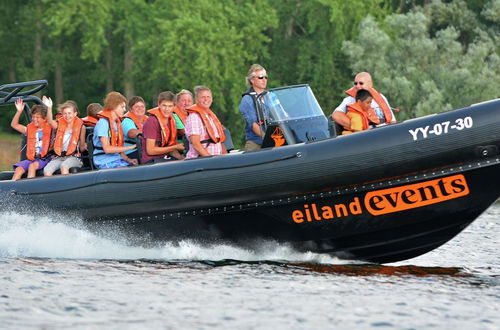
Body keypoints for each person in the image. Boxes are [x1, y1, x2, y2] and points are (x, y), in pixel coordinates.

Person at [92, 91, 138, 169]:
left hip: (116, 158)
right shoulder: (103, 123)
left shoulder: (116, 123)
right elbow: (107, 149)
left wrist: (128, 160)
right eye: (122, 107)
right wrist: (131, 147)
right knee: (129, 173)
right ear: (113, 107)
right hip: (103, 160)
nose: (124, 109)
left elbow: (118, 148)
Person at [10, 98, 52, 181]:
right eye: (33, 117)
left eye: (37, 117)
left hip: (44, 158)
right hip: (31, 159)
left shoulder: (50, 127)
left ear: (44, 118)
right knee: (19, 169)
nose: (34, 119)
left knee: (32, 167)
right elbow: (14, 124)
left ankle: (30, 190)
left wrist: (49, 108)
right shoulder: (29, 129)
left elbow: (51, 121)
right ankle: (10, 192)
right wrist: (19, 111)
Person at [44, 99, 87, 176]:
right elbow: (50, 121)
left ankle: (67, 186)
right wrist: (49, 107)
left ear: (75, 114)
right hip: (60, 157)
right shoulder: (59, 125)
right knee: (47, 170)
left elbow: (82, 147)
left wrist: (86, 146)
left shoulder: (81, 127)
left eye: (69, 113)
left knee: (64, 166)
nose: (67, 116)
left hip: (74, 157)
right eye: (65, 114)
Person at [141, 91, 185, 164]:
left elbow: (171, 148)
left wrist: (182, 159)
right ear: (159, 105)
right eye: (164, 105)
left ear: (174, 107)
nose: (167, 109)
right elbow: (150, 150)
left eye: (170, 106)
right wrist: (175, 147)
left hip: (165, 158)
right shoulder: (152, 121)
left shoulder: (172, 120)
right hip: (151, 161)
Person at [185, 86, 227, 159]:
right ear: (197, 99)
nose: (206, 99)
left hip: (214, 159)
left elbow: (218, 140)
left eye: (208, 96)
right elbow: (196, 144)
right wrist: (210, 160)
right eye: (203, 97)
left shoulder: (210, 116)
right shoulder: (194, 117)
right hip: (201, 161)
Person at [239, 64, 269, 151]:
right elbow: (253, 125)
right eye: (260, 77)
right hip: (256, 143)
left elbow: (282, 114)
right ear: (252, 80)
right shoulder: (247, 100)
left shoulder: (271, 96)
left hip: (276, 139)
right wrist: (268, 139)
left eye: (265, 77)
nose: (264, 80)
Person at [122, 96, 148, 161]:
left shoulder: (148, 119)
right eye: (136, 107)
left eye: (142, 106)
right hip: (131, 152)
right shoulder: (127, 120)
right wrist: (151, 132)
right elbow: (132, 133)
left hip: (146, 149)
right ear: (131, 109)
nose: (140, 108)